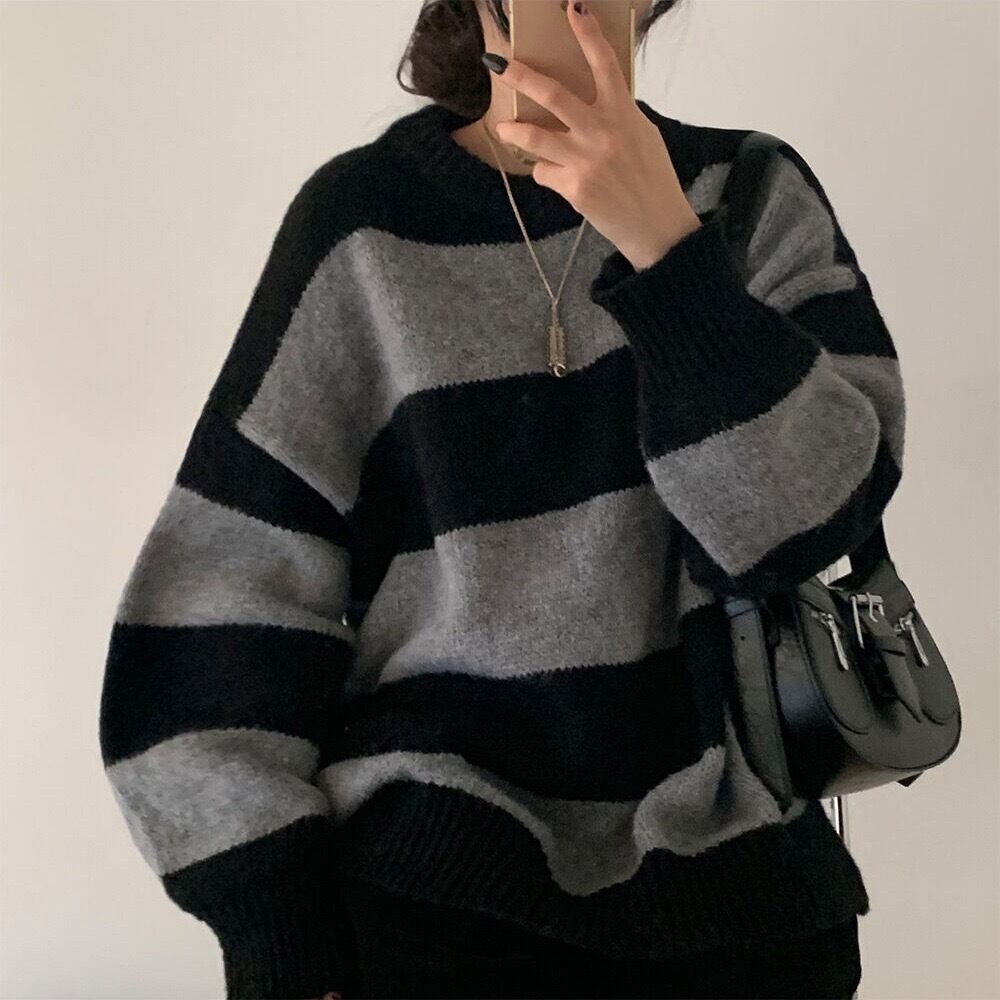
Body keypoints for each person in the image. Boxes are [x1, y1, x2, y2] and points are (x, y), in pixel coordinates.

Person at [98, 0, 905, 996]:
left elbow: (809, 525)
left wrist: (667, 250)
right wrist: (278, 930)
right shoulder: (363, 225)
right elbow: (221, 596)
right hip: (425, 907)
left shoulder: (749, 194)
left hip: (743, 907)